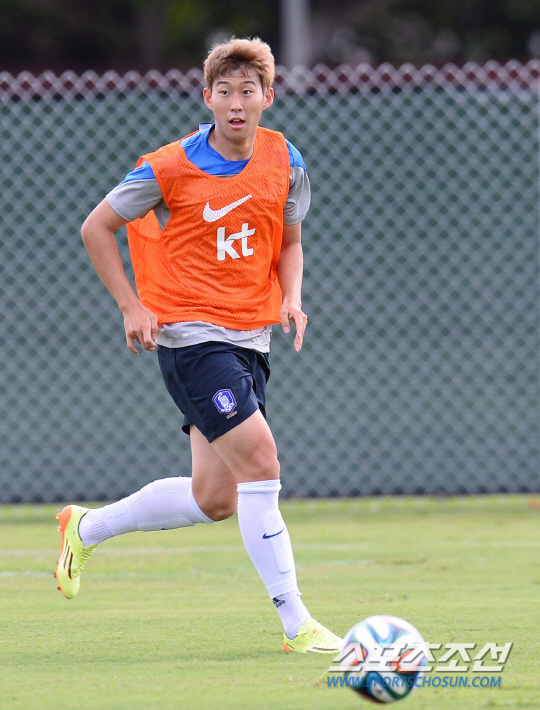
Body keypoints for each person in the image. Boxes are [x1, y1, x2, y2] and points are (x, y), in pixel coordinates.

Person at [55, 37, 341, 654]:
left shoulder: (285, 159)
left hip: (251, 337)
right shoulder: (170, 166)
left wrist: (292, 297)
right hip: (192, 338)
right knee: (262, 462)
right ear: (206, 96)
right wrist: (131, 305)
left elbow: (290, 243)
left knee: (215, 498)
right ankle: (298, 624)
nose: (236, 103)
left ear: (268, 97)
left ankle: (86, 527)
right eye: (225, 92)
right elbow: (96, 227)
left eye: (248, 92)